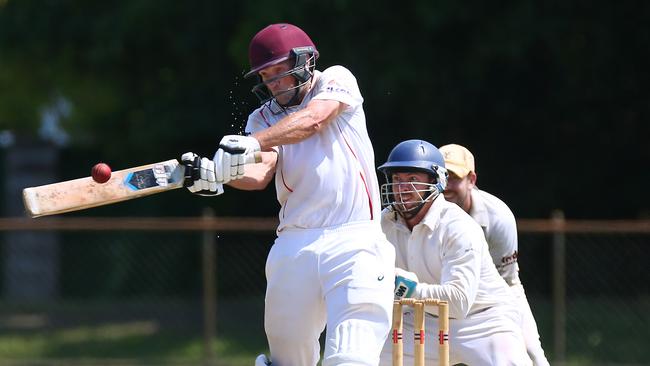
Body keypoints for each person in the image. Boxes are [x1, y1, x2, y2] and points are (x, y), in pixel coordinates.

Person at [182, 23, 395, 366]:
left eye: (279, 71)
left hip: (355, 239)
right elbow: (260, 172)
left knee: (351, 357)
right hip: (294, 243)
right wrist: (219, 175)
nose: (273, 82)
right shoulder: (261, 117)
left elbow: (314, 119)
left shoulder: (335, 80)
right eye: (266, 75)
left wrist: (253, 142)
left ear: (305, 61)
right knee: (286, 360)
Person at [376, 139, 531, 365]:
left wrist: (409, 290)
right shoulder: (385, 222)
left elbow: (458, 303)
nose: (402, 189)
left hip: (484, 321)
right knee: (368, 354)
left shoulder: (458, 226)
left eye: (412, 180)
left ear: (436, 181)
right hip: (423, 320)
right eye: (397, 180)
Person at [439, 143, 550, 366]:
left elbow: (507, 281)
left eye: (454, 178)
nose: (446, 186)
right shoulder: (420, 211)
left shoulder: (497, 217)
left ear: (471, 179)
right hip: (440, 297)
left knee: (532, 356)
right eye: (441, 177)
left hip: (491, 298)